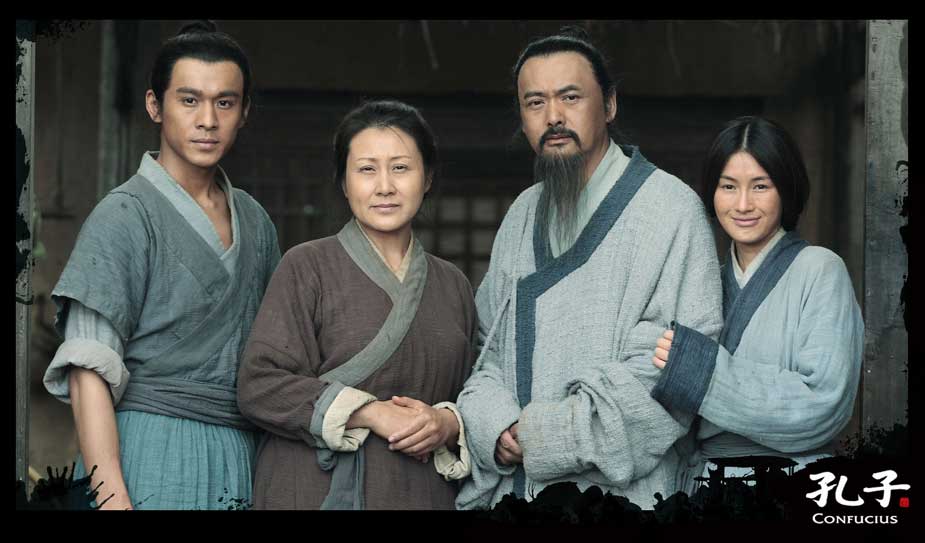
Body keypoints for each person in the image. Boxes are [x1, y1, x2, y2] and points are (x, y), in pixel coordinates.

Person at [455, 28, 723, 510]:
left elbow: (671, 378)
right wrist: (496, 427)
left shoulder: (670, 210)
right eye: (535, 102)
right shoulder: (522, 214)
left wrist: (540, 436)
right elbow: (484, 347)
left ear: (610, 105)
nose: (553, 116)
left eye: (570, 97)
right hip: (515, 496)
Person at [42, 21, 281, 510]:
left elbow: (277, 356)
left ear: (244, 112)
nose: (207, 120)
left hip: (239, 454)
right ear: (155, 105)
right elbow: (88, 373)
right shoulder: (124, 215)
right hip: (144, 452)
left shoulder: (256, 222)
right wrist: (111, 498)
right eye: (189, 100)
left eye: (225, 103)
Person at [237, 100, 475, 510]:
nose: (385, 186)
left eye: (401, 168)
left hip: (420, 492)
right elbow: (258, 385)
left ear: (428, 177)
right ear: (345, 183)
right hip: (315, 487)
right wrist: (369, 412)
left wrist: (447, 423)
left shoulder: (453, 284)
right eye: (367, 169)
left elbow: (475, 391)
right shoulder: (306, 265)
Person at [650, 116, 863, 485]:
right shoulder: (706, 283)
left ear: (786, 189)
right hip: (705, 483)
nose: (743, 204)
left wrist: (703, 374)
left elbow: (823, 402)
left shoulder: (821, 270)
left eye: (760, 186)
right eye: (728, 186)